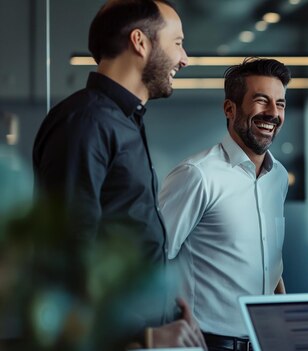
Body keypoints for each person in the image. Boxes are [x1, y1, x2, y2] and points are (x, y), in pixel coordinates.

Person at [32, 0, 206, 348]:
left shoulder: (122, 121)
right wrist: (142, 333)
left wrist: (164, 312)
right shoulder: (86, 122)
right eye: (177, 43)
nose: (184, 58)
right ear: (140, 42)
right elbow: (67, 256)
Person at [158, 57, 291, 350]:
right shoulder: (197, 175)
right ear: (229, 109)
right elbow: (151, 258)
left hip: (264, 341)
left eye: (280, 104)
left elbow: (269, 260)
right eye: (261, 101)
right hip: (206, 343)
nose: (273, 113)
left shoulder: (278, 177)